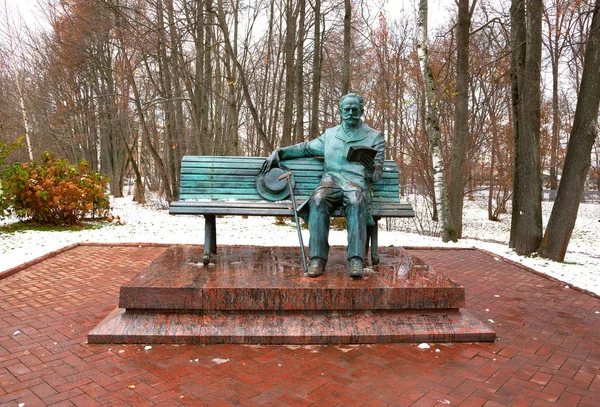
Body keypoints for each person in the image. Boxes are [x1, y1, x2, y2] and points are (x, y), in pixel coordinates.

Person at [260, 93, 385, 278]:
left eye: (354, 109)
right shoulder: (330, 134)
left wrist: (369, 166)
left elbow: (376, 176)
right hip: (331, 181)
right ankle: (317, 259)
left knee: (356, 200)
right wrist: (280, 152)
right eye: (347, 109)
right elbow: (305, 148)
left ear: (361, 111)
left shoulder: (374, 137)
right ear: (341, 112)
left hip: (356, 184)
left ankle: (356, 259)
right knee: (318, 199)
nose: (350, 113)